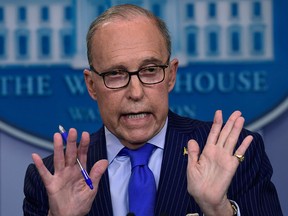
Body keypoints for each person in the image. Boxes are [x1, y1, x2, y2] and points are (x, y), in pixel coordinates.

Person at [23, 4, 283, 216]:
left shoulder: (236, 156)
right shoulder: (50, 181)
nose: (135, 93)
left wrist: (218, 210)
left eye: (150, 71)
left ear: (171, 76)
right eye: (115, 74)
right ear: (92, 85)